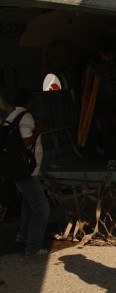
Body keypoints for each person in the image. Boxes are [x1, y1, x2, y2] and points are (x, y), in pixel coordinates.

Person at [4, 89, 51, 259]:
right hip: (27, 171)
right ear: (27, 101)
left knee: (28, 203)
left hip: (14, 170)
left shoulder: (10, 118)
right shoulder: (26, 117)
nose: (34, 103)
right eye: (32, 100)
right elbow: (26, 140)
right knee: (41, 210)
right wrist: (40, 128)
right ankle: (33, 247)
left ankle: (22, 236)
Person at [87, 36, 116, 169]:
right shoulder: (94, 62)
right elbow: (88, 79)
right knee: (106, 130)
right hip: (103, 99)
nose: (105, 58)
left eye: (108, 55)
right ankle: (110, 159)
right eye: (103, 55)